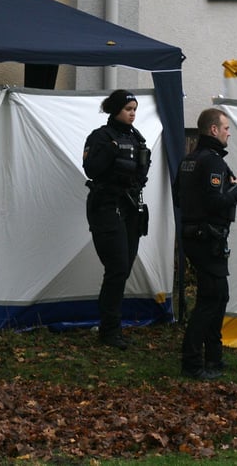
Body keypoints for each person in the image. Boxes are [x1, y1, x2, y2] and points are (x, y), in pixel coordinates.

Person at [174, 108, 237, 379]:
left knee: (220, 295)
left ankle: (214, 357)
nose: (229, 132)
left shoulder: (188, 160)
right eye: (225, 127)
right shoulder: (213, 162)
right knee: (209, 299)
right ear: (213, 130)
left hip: (195, 236)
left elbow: (179, 196)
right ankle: (192, 363)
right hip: (208, 239)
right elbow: (217, 200)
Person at [82, 89, 151, 350]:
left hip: (130, 206)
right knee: (117, 267)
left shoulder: (137, 138)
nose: (132, 113)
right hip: (106, 206)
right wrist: (112, 151)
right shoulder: (101, 137)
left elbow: (140, 172)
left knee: (124, 268)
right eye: (128, 109)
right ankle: (110, 329)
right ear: (115, 110)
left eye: (135, 109)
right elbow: (91, 168)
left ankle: (112, 327)